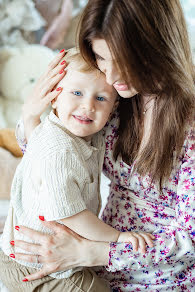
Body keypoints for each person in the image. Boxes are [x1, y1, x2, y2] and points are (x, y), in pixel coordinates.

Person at [1, 0, 194, 291]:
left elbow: (188, 241)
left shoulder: (187, 128)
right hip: (92, 261)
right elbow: (59, 163)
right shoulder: (115, 100)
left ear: (156, 47)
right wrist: (30, 116)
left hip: (160, 274)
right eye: (101, 57)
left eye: (124, 59)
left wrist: (91, 251)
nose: (112, 76)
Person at [0, 48, 154, 292]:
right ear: (54, 97)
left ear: (113, 108)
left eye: (100, 98)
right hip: (37, 267)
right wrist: (117, 238)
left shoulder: (79, 134)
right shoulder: (60, 148)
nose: (87, 106)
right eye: (77, 93)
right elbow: (69, 214)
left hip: (50, 255)